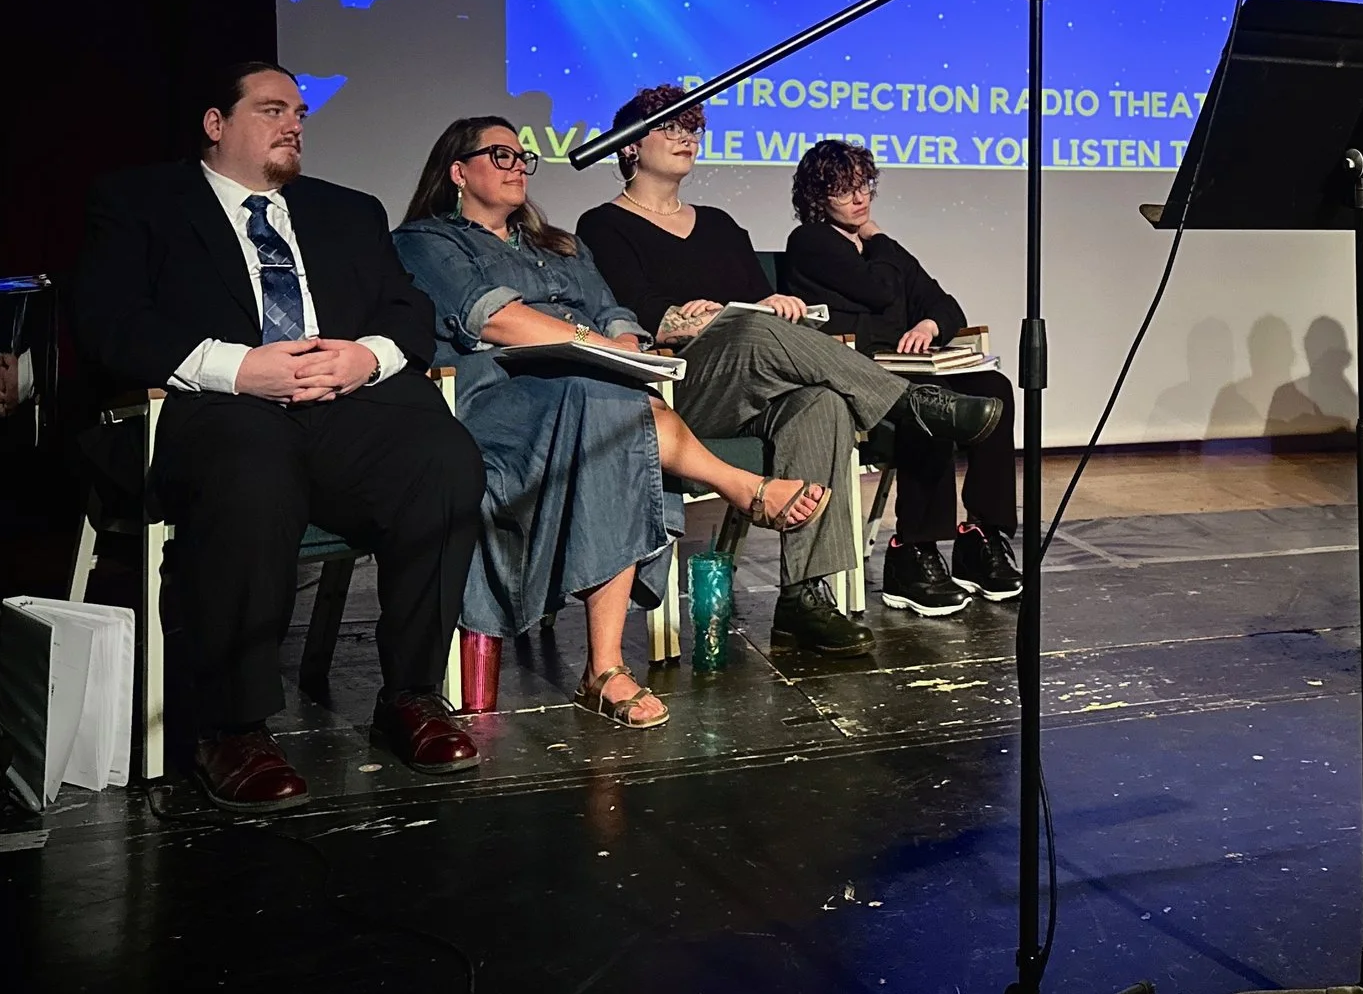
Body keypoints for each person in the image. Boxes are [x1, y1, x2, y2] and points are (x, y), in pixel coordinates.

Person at [70, 62, 484, 810]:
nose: (294, 122)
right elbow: (110, 322)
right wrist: (238, 367)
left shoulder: (346, 210)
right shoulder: (141, 202)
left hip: (335, 407)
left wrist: (366, 357)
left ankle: (412, 694)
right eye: (272, 109)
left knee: (442, 456)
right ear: (215, 122)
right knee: (252, 462)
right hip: (212, 405)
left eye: (299, 111)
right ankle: (231, 726)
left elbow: (408, 311)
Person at [393, 117, 833, 728]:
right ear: (458, 171)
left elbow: (615, 311)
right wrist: (597, 344)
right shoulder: (428, 240)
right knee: (613, 402)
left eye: (524, 155)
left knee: (613, 403)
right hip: (497, 398)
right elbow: (492, 319)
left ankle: (605, 667)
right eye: (501, 155)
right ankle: (736, 489)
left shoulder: (560, 244)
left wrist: (623, 343)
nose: (520, 165)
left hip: (592, 388)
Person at [576, 85, 1001, 656]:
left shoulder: (722, 224)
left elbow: (758, 302)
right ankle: (907, 402)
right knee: (745, 329)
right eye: (670, 127)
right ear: (628, 147)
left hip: (752, 378)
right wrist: (685, 320)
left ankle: (804, 596)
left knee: (820, 402)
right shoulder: (603, 225)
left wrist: (781, 305)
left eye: (692, 127)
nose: (686, 138)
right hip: (676, 393)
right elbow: (633, 311)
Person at [782, 140, 1022, 616]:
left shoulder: (880, 250)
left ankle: (981, 537)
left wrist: (929, 325)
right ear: (817, 197)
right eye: (844, 189)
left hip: (907, 365)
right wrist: (877, 237)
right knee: (930, 405)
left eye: (864, 186)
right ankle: (913, 553)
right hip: (855, 375)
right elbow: (880, 288)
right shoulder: (811, 242)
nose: (859, 199)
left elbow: (944, 303)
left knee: (994, 389)